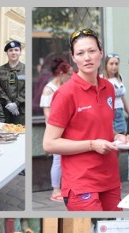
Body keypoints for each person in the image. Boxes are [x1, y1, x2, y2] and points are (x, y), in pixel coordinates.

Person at [43, 28, 129, 211]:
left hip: (109, 177)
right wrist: (91, 145)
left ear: (101, 53)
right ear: (73, 58)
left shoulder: (108, 88)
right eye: (80, 53)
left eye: (91, 51)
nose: (87, 58)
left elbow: (104, 127)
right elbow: (49, 144)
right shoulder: (66, 93)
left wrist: (117, 137)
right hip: (81, 180)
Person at [102, 53, 129, 192]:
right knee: (113, 147)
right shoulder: (103, 79)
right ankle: (110, 177)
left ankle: (114, 176)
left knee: (122, 144)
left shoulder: (119, 78)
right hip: (110, 113)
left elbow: (123, 98)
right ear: (106, 65)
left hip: (120, 114)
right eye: (111, 63)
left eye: (116, 63)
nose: (114, 66)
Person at [39, 57, 73, 202]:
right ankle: (55, 190)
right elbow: (48, 114)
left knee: (67, 158)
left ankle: (65, 187)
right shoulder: (49, 89)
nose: (71, 77)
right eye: (69, 74)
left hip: (67, 128)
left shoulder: (64, 87)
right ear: (61, 73)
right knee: (58, 159)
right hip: (56, 130)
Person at [0, 40, 26, 125]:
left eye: (16, 50)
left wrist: (16, 103)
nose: (13, 53)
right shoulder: (0, 70)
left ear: (20, 52)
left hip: (22, 112)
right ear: (7, 53)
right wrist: (8, 103)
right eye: (10, 50)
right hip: (4, 110)